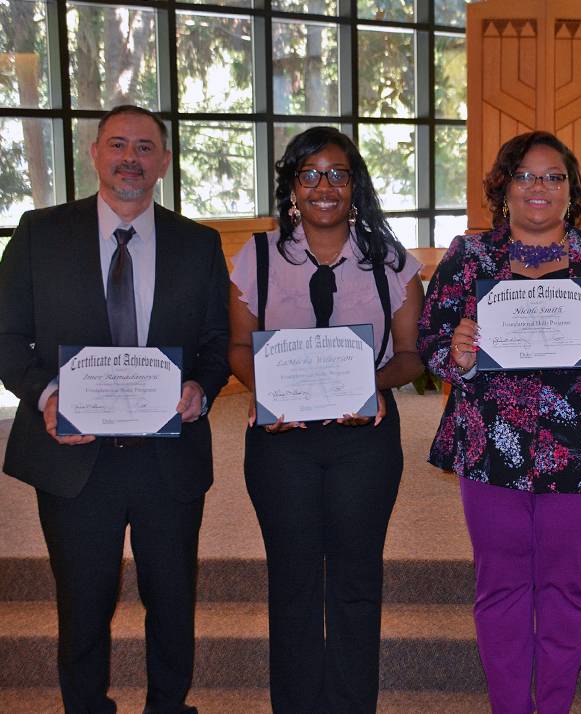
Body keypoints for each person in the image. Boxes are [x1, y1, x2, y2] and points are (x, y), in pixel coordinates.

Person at [0, 104, 230, 713]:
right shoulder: (39, 233)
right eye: (119, 145)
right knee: (81, 602)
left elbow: (215, 345)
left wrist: (200, 390)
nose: (132, 158)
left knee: (174, 599)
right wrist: (48, 396)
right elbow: (6, 336)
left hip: (167, 457)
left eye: (146, 147)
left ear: (164, 162)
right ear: (96, 153)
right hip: (73, 459)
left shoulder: (199, 244)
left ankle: (168, 706)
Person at [417, 130, 581, 714]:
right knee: (500, 589)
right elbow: (431, 341)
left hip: (580, 447)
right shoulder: (468, 258)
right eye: (526, 175)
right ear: (504, 188)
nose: (539, 187)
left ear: (571, 191)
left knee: (567, 590)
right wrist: (458, 352)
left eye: (553, 177)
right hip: (490, 445)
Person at [226, 126, 423, 713]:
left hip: (364, 439)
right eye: (309, 175)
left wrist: (371, 384)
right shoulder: (256, 255)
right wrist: (273, 394)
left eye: (337, 174)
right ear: (291, 186)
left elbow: (412, 356)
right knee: (292, 580)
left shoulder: (391, 261)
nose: (324, 187)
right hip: (280, 440)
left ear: (355, 186)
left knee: (357, 579)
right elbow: (237, 348)